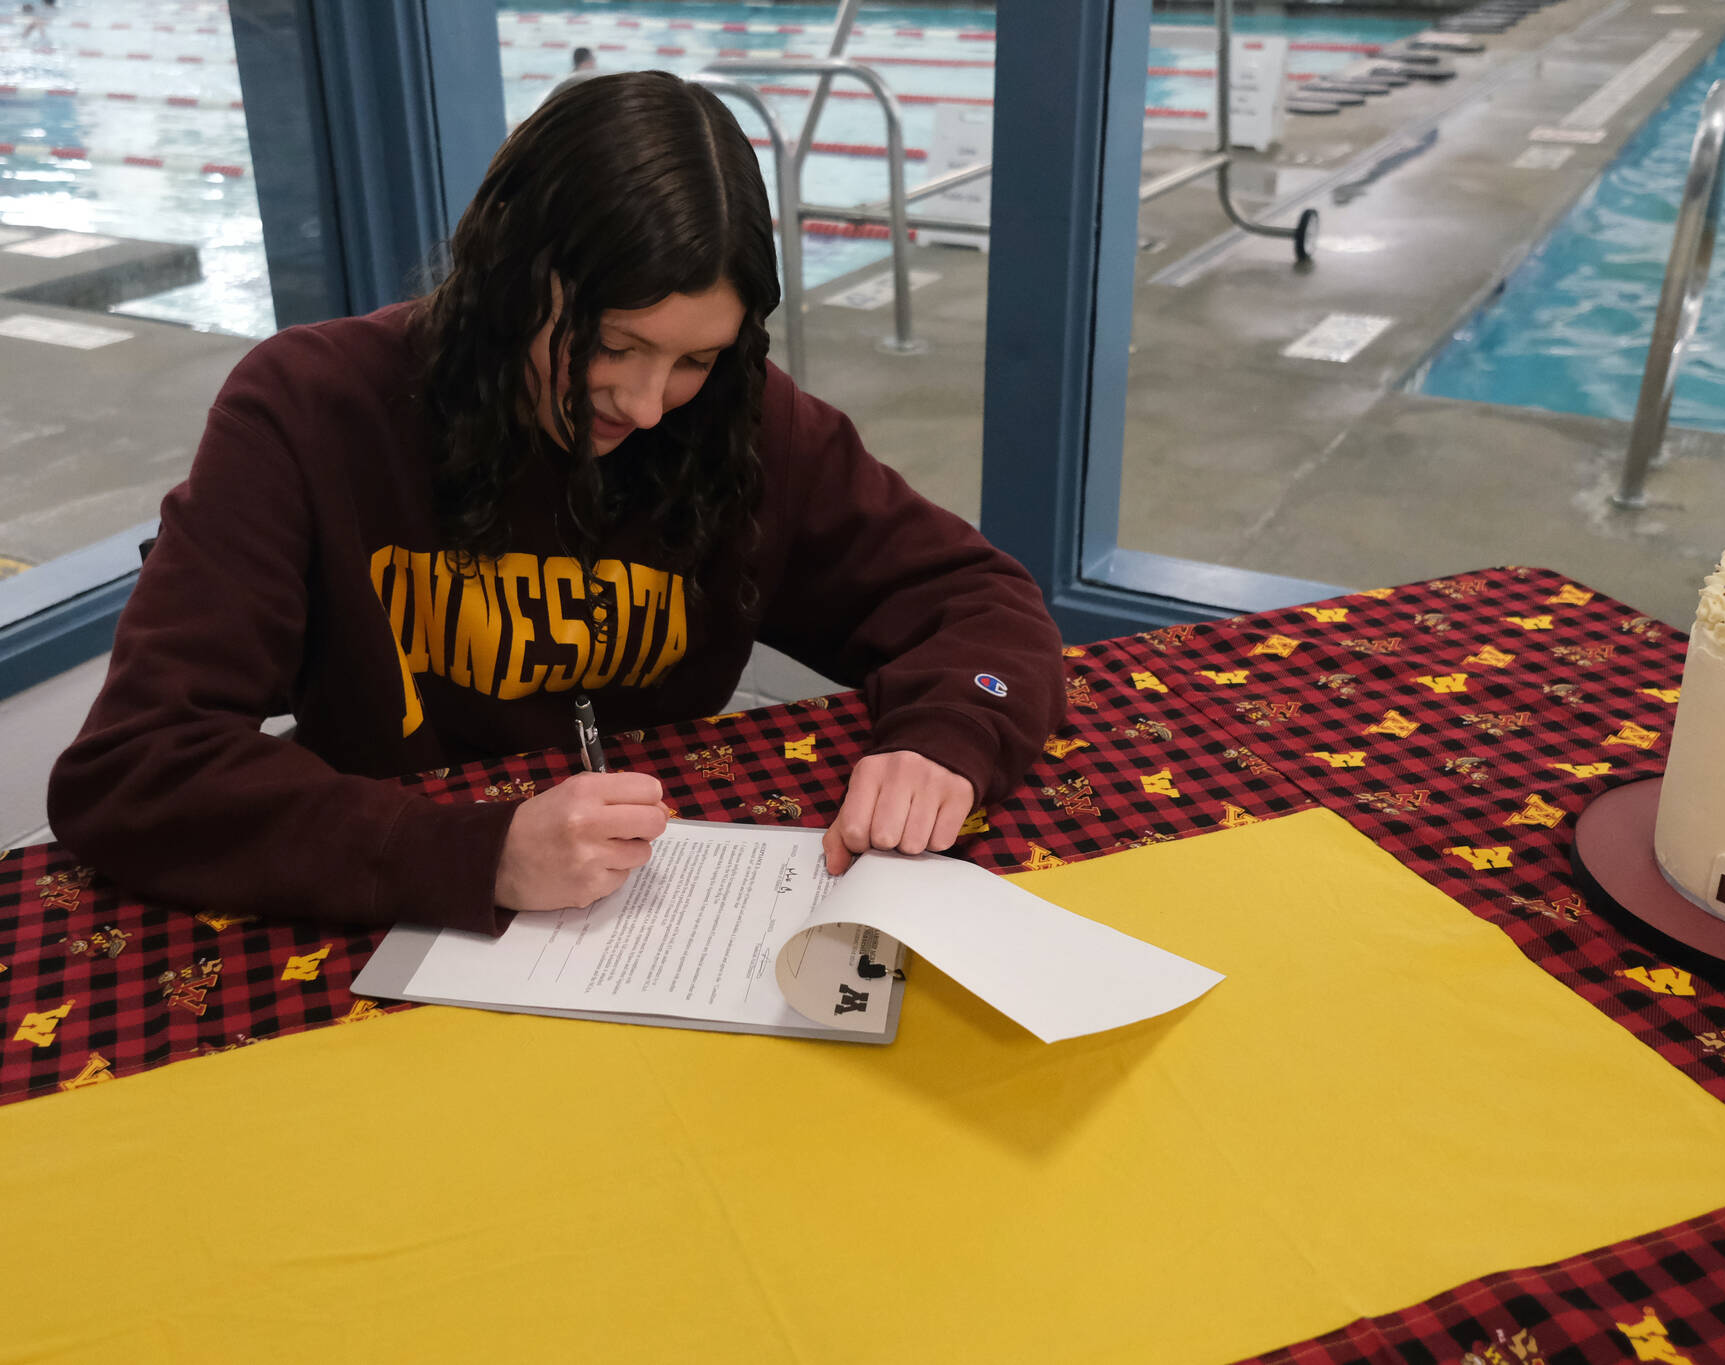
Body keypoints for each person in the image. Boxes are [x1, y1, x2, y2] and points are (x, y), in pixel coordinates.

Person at [47, 72, 1065, 937]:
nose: (643, 402)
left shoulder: (745, 427)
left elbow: (979, 609)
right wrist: (473, 855)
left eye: (694, 360)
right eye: (612, 347)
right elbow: (137, 768)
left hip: (649, 909)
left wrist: (948, 736)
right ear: (510, 282)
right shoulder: (310, 408)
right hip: (399, 903)